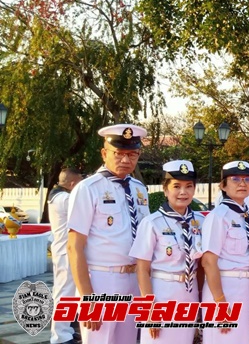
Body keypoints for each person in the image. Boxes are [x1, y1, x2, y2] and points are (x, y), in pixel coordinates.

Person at [67, 124, 149, 344]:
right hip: (102, 280)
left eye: (132, 154)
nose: (126, 159)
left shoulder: (139, 189)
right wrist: (87, 296)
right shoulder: (88, 188)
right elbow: (74, 246)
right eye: (119, 153)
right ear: (105, 153)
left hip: (134, 280)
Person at [129, 160, 205, 343]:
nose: (183, 192)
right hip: (161, 292)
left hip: (189, 292)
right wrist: (149, 308)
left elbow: (202, 266)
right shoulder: (152, 223)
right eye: (176, 186)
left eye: (188, 186)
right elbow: (142, 269)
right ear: (165, 189)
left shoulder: (201, 221)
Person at [201, 161, 249, 344]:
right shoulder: (218, 216)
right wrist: (220, 302)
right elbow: (208, 262)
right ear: (223, 185)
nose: (242, 183)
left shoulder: (248, 216)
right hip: (224, 287)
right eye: (235, 179)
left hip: (246, 287)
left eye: (247, 179)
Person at [47, 167, 83, 344]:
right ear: (72, 183)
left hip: (67, 249)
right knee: (64, 293)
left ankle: (66, 329)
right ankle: (60, 336)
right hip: (65, 250)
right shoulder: (65, 198)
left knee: (71, 292)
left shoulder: (59, 196)